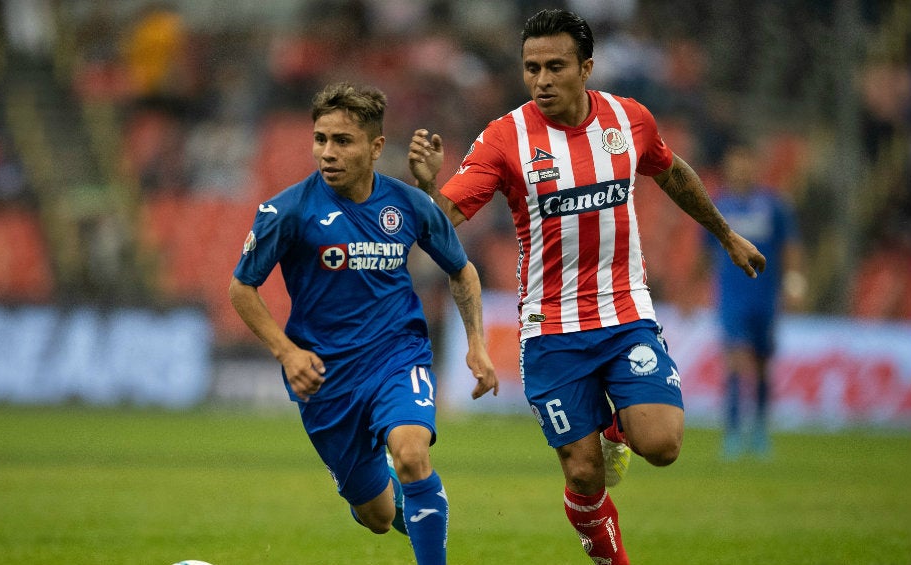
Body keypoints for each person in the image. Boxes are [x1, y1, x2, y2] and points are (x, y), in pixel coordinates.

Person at [408, 9, 765, 564]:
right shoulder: (507, 138)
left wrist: (725, 235)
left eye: (555, 67)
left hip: (624, 313)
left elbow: (671, 171)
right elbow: (442, 218)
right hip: (549, 328)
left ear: (587, 67)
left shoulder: (630, 120)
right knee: (581, 468)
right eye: (531, 69)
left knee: (663, 444)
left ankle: (617, 431)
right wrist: (429, 188)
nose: (542, 80)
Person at [229, 82, 499, 565]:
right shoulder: (286, 211)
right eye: (320, 139)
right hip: (326, 379)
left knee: (413, 453)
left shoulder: (409, 205)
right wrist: (287, 352)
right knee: (377, 515)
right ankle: (378, 487)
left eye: (342, 141)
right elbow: (241, 287)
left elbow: (462, 269)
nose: (327, 153)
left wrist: (476, 344)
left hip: (397, 355)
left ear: (376, 147)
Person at [705, 142, 804, 460]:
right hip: (732, 298)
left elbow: (789, 247)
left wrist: (793, 282)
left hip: (765, 296)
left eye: (746, 163)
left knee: (762, 366)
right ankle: (733, 432)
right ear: (728, 168)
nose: (742, 169)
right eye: (736, 163)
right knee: (735, 360)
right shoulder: (717, 206)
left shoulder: (773, 205)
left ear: (755, 166)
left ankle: (760, 429)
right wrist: (689, 290)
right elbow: (704, 249)